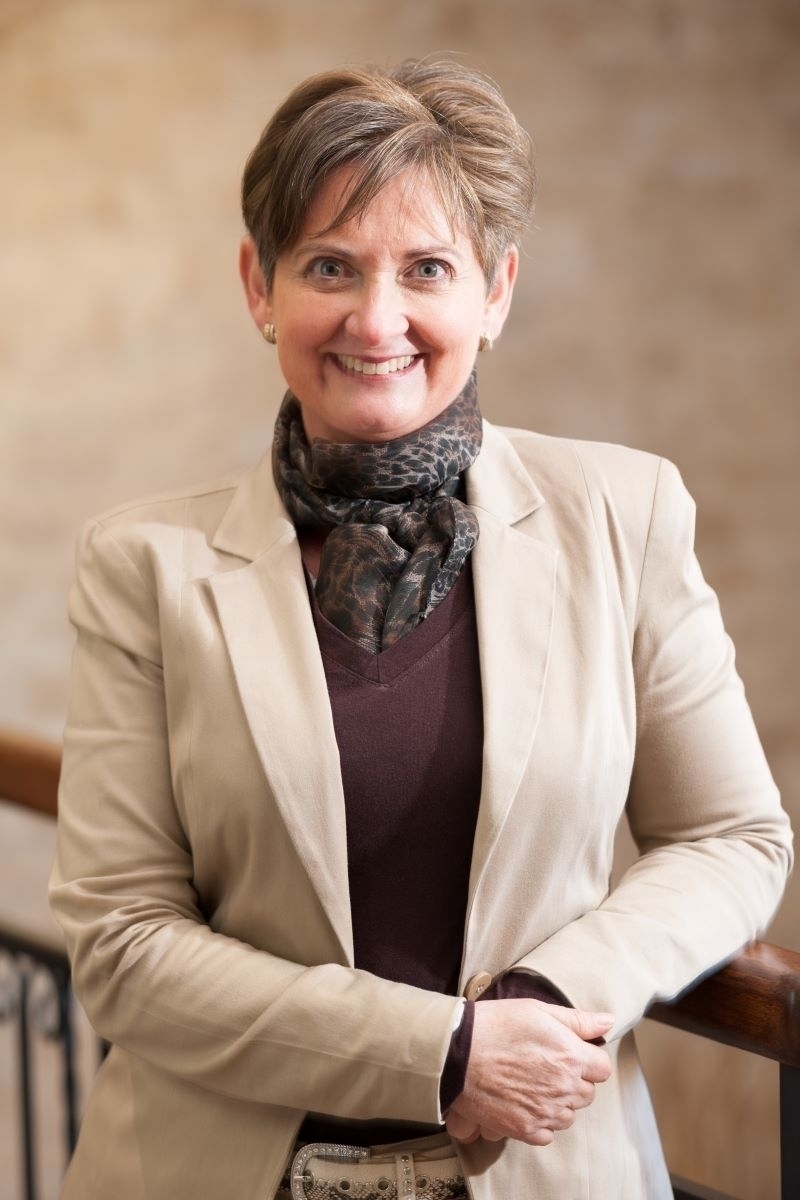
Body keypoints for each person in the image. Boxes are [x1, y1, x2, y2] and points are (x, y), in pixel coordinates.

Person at [50, 58, 792, 1200]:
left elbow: (730, 837)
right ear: (259, 285)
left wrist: (548, 997)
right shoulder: (142, 566)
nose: (376, 318)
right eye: (330, 266)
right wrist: (442, 1054)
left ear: (495, 292)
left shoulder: (625, 514)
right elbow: (121, 941)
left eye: (427, 269)